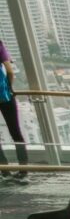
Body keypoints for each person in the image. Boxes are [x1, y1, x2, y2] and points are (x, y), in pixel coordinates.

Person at [0, 38, 28, 180]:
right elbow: (10, 72)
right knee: (15, 132)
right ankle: (23, 171)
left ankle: (4, 171)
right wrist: (9, 88)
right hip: (5, 96)